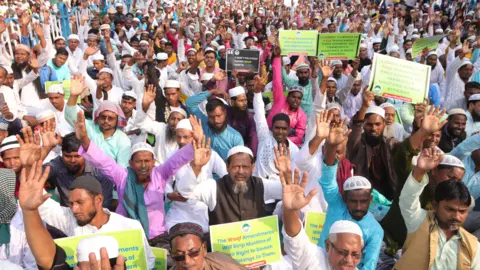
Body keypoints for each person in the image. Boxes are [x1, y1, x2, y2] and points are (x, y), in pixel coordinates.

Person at [75, 109, 204, 248]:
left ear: (153, 162)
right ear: (131, 163)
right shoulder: (123, 176)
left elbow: (177, 160)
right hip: (128, 236)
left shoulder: (159, 174)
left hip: (158, 238)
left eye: (147, 161)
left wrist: (195, 141)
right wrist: (84, 140)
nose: (143, 165)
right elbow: (103, 161)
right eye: (138, 161)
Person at [394, 148, 480, 269]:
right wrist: (421, 170)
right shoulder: (419, 222)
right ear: (435, 205)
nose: (456, 216)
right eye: (450, 209)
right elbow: (407, 198)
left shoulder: (473, 245)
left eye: (462, 211)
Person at [317, 116, 383, 270]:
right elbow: (328, 181)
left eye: (364, 201)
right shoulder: (336, 204)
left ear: (371, 199)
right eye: (353, 201)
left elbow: (369, 265)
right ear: (345, 198)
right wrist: (332, 147)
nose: (359, 206)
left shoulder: (375, 230)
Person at [279, 164, 364, 269]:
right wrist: (290, 211)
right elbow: (295, 238)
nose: (349, 260)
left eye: (355, 255)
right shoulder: (314, 259)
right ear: (328, 246)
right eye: (342, 252)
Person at [65, 77, 132, 168]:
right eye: (103, 117)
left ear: (117, 120)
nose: (106, 121)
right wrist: (74, 96)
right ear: (98, 117)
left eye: (110, 118)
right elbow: (70, 115)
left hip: (109, 178)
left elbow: (122, 168)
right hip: (85, 173)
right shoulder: (89, 127)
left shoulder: (123, 139)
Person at [347, 90, 397, 200]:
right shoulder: (357, 144)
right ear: (364, 125)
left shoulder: (390, 145)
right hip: (360, 198)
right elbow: (356, 127)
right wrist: (364, 106)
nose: (373, 128)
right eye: (369, 124)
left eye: (377, 124)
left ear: (384, 124)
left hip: (387, 199)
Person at [44, 133, 114, 209]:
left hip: (93, 217)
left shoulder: (100, 171)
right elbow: (33, 176)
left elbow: (105, 206)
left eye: (77, 156)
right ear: (62, 154)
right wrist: (46, 149)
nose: (72, 160)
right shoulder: (58, 164)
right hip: (67, 216)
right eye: (67, 156)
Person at [186, 89, 244, 161]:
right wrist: (211, 92)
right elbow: (189, 103)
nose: (216, 120)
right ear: (207, 115)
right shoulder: (204, 122)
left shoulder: (235, 137)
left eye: (219, 116)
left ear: (225, 113)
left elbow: (239, 160)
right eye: (211, 117)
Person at [134, 84, 187, 163]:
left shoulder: (187, 135)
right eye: (173, 118)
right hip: (159, 167)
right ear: (168, 120)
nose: (175, 122)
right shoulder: (161, 127)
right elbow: (141, 123)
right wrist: (145, 106)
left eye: (179, 119)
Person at [267, 46, 307, 146]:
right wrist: (276, 58)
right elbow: (277, 81)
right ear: (287, 96)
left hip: (287, 145)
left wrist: (282, 140)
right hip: (268, 139)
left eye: (299, 98)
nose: (296, 100)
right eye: (293, 97)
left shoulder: (301, 115)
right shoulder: (280, 100)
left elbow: (298, 137)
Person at [168, 222, 244, 270]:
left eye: (193, 253)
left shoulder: (226, 266)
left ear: (204, 248)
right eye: (179, 256)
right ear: (171, 255)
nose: (187, 261)